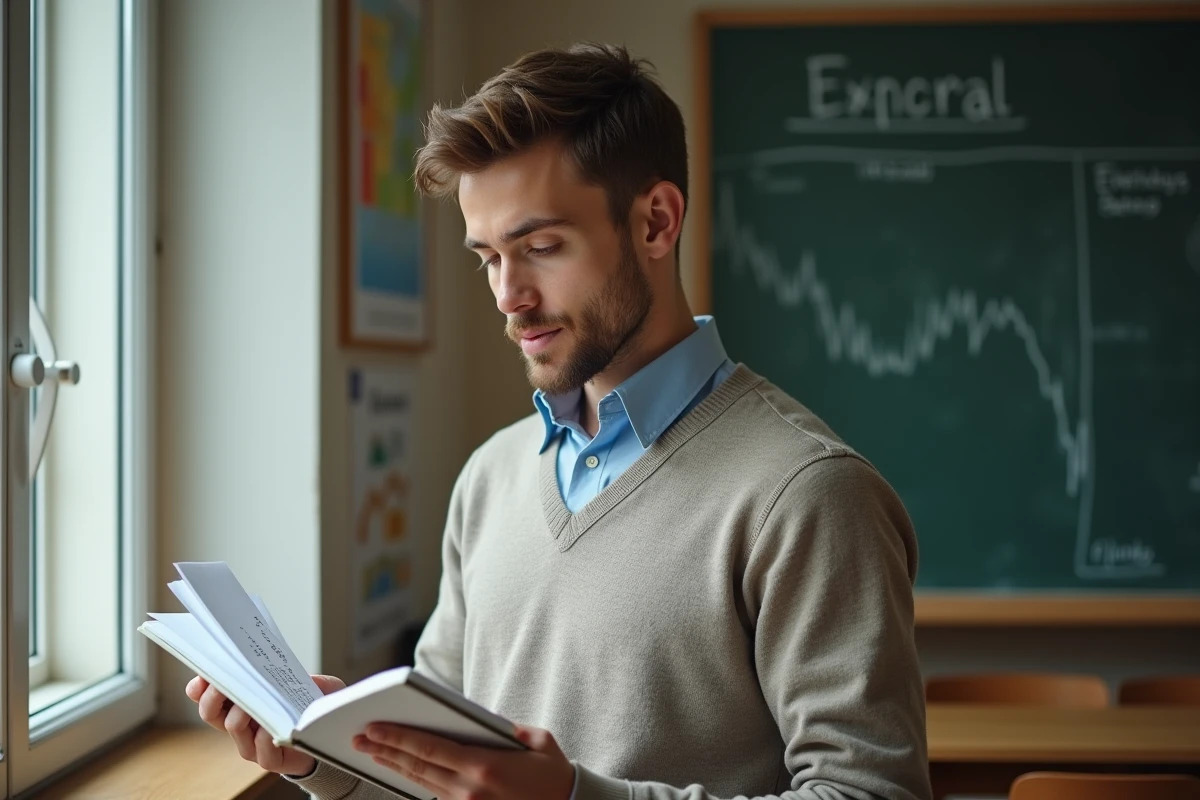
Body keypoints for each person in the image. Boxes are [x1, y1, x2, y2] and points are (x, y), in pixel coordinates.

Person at [187, 42, 932, 800]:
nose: (509, 294)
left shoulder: (808, 495)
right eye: (487, 258)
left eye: (540, 247)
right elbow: (441, 778)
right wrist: (326, 757)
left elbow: (872, 793)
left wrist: (575, 797)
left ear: (655, 223)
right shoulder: (491, 478)